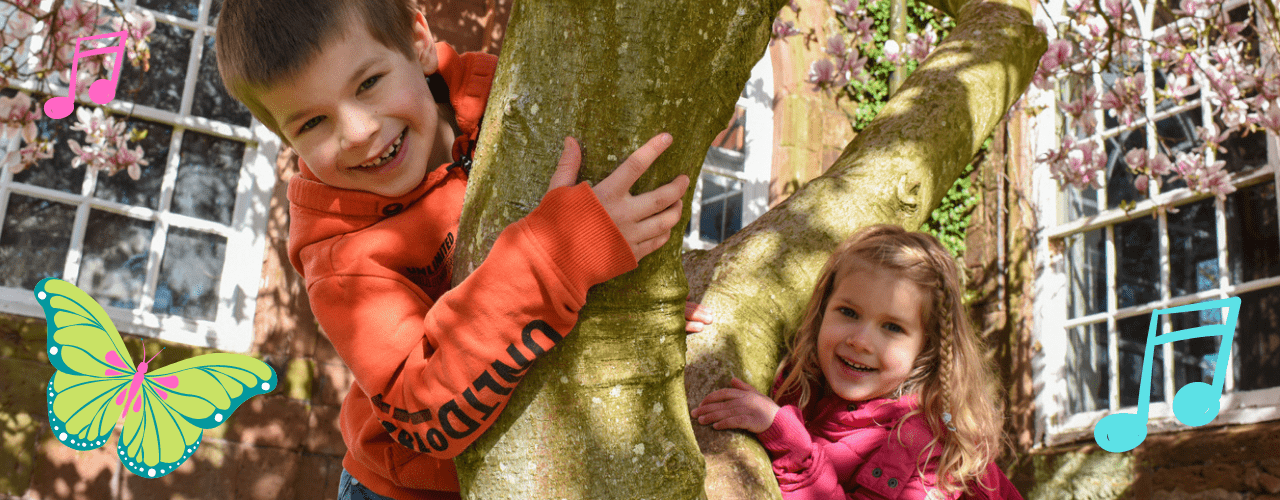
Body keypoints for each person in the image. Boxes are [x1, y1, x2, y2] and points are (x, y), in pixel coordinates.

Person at [215, 1, 698, 498]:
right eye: (312, 123)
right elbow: (425, 412)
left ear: (418, 41)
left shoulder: (508, 99)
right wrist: (559, 253)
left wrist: (627, 301)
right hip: (409, 490)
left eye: (368, 83)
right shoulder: (340, 260)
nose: (358, 132)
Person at [691, 225, 1022, 500]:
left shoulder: (926, 446)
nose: (860, 341)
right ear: (823, 310)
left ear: (927, 348)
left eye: (892, 327)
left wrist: (792, 448)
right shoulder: (803, 379)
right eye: (848, 312)